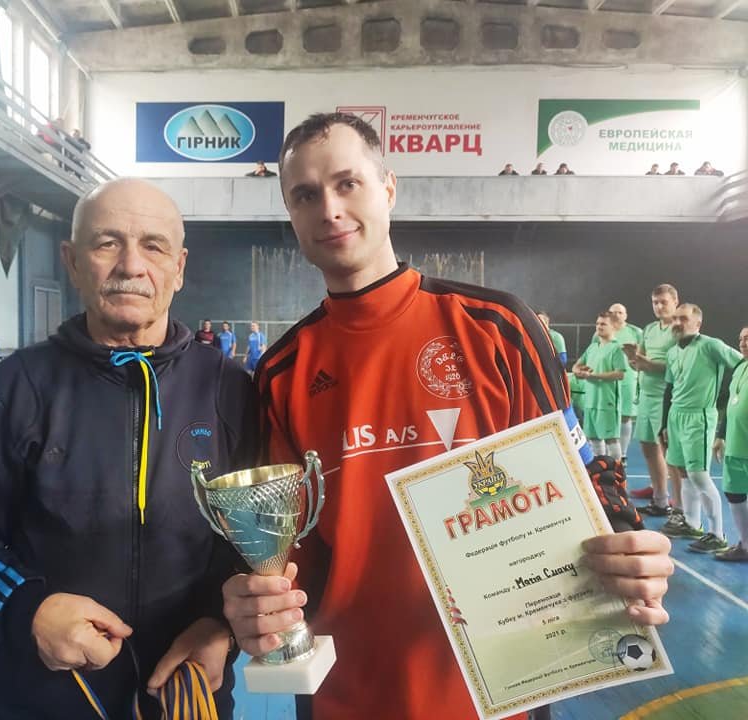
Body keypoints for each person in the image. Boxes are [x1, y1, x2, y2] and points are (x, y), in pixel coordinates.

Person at [221, 113, 673, 720]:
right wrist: (258, 601)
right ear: (290, 213)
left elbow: (584, 479)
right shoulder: (281, 372)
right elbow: (284, 549)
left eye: (348, 183)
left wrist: (630, 550)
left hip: (502, 691)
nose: (329, 209)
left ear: (388, 188)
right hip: (345, 694)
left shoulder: (498, 329)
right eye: (305, 195)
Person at [0, 179, 256, 719]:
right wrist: (28, 609)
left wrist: (221, 626)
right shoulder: (14, 389)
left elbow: (253, 539)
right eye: (106, 243)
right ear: (72, 262)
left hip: (187, 696)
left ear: (179, 267)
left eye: (153, 246)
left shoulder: (229, 389)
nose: (131, 265)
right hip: (43, 701)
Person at [658, 303, 741, 553]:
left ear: (698, 323)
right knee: (683, 472)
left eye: (683, 318)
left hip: (699, 416)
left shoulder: (711, 345)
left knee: (698, 475)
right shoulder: (672, 351)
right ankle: (692, 523)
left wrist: (736, 395)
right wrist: (664, 422)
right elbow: (670, 388)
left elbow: (742, 364)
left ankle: (717, 533)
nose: (677, 323)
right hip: (676, 415)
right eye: (675, 318)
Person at [624, 285, 680, 513]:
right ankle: (660, 500)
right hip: (646, 397)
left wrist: (647, 364)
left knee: (668, 452)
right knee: (648, 447)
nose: (659, 306)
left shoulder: (679, 329)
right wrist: (632, 358)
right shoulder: (649, 329)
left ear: (675, 301)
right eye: (655, 302)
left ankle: (680, 507)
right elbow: (640, 363)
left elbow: (678, 365)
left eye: (663, 302)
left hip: (666, 397)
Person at [713, 326, 748, 561]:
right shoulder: (740, 367)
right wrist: (720, 435)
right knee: (734, 493)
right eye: (741, 338)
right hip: (736, 444)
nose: (743, 342)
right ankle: (745, 545)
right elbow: (731, 403)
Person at [574, 312, 628, 460]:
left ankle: (617, 470)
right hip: (591, 400)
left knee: (611, 439)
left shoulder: (617, 348)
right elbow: (577, 365)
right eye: (597, 323)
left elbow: (620, 374)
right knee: (594, 438)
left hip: (607, 401)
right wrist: (578, 371)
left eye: (603, 324)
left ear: (613, 326)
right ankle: (602, 470)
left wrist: (593, 376)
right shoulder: (593, 347)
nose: (599, 326)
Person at [608, 303, 643, 469]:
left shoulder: (635, 332)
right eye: (613, 312)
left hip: (628, 380)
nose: (616, 315)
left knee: (625, 416)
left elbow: (644, 354)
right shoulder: (602, 330)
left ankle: (623, 454)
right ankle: (607, 453)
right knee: (608, 416)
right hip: (607, 380)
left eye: (620, 312)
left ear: (625, 315)